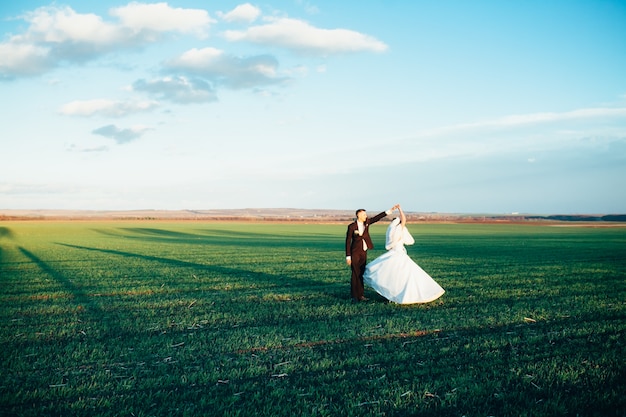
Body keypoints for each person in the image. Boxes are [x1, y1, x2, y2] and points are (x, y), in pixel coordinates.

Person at [363, 205, 445, 304]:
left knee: (393, 275)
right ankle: (401, 294)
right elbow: (404, 219)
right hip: (399, 254)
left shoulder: (391, 231)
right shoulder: (399, 229)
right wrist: (400, 209)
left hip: (393, 253)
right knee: (405, 276)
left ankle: (393, 293)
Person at [345, 204, 399, 302]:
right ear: (359, 215)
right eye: (364, 214)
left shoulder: (367, 223)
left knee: (361, 273)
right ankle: (354, 296)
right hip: (355, 252)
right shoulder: (351, 227)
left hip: (364, 252)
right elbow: (348, 241)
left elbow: (377, 217)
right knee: (355, 274)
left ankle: (361, 295)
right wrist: (348, 256)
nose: (366, 216)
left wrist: (390, 210)